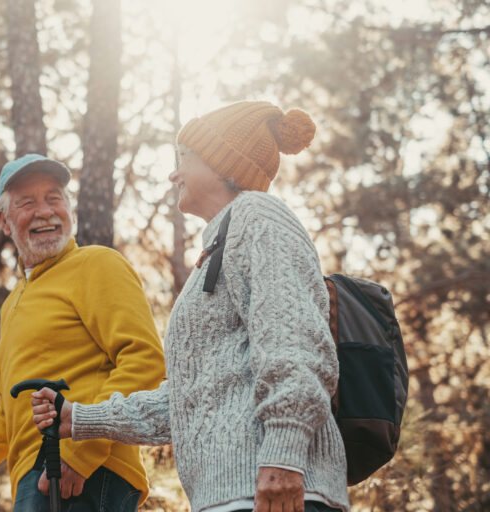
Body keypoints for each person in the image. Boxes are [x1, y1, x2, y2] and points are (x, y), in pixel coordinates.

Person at [31, 101, 351, 512]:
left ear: (221, 164)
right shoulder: (215, 251)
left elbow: (294, 339)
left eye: (184, 159)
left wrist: (284, 455)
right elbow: (189, 399)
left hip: (278, 489)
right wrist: (82, 419)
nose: (174, 173)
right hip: (228, 496)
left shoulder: (259, 216)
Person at [0, 153, 166, 511]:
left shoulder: (96, 264)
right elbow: (9, 419)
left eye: (55, 198)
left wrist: (79, 454)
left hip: (89, 473)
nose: (45, 211)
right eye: (27, 202)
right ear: (4, 222)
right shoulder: (13, 304)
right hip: (34, 478)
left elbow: (145, 361)